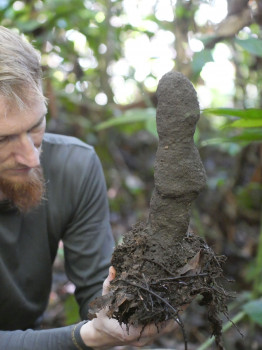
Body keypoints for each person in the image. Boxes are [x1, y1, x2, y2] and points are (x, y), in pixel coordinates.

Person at [0, 26, 176, 349]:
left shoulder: (72, 167)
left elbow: (100, 299)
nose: (31, 157)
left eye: (36, 125)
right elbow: (88, 334)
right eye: (3, 139)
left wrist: (125, 308)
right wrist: (83, 337)